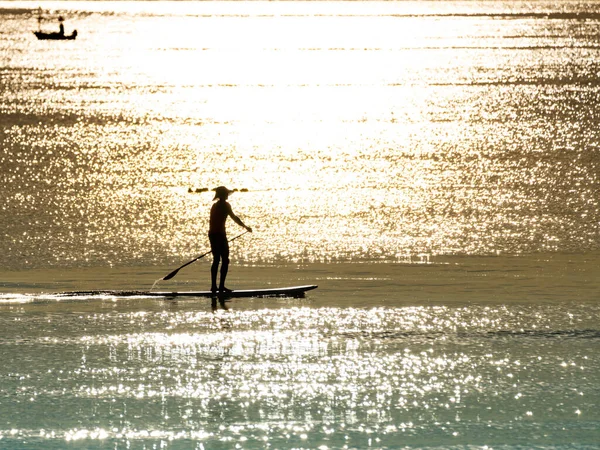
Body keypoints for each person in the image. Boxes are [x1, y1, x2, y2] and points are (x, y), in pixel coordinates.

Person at [208, 186, 252, 293]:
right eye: (226, 193)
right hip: (219, 235)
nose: (228, 195)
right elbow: (234, 217)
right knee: (224, 260)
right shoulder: (225, 205)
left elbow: (212, 223)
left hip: (213, 235)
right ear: (223, 195)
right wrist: (245, 227)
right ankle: (220, 287)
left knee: (217, 260)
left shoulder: (214, 206)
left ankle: (214, 287)